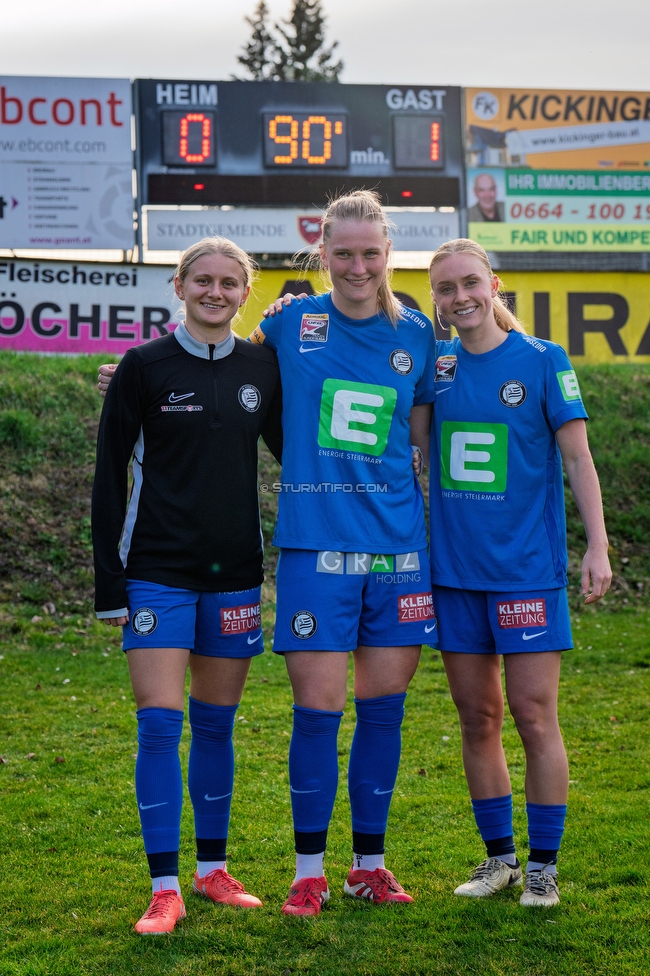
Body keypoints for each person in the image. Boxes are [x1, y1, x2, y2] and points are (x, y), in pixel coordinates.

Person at [251, 189, 437, 915]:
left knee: (384, 714)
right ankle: (307, 871)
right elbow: (220, 372)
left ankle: (369, 865)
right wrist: (132, 380)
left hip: (399, 550)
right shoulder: (291, 322)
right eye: (343, 253)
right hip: (315, 547)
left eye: (370, 253)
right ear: (321, 253)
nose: (357, 266)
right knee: (318, 712)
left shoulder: (419, 334)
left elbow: (423, 441)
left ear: (387, 254)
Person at [92, 237, 283, 934]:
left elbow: (298, 449)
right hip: (155, 576)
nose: (215, 291)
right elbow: (109, 479)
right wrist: (109, 584)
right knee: (158, 724)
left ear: (245, 291)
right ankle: (164, 886)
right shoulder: (142, 367)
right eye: (202, 279)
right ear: (178, 285)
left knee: (215, 725)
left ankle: (212, 872)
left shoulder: (265, 365)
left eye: (230, 282)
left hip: (234, 576)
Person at [426, 238, 611, 907]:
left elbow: (579, 459)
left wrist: (597, 547)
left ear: (494, 284)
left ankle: (543, 867)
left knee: (534, 717)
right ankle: (499, 860)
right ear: (436, 302)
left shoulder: (542, 361)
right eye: (445, 289)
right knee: (477, 717)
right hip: (453, 575)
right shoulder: (435, 367)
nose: (460, 297)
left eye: (469, 282)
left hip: (526, 573)